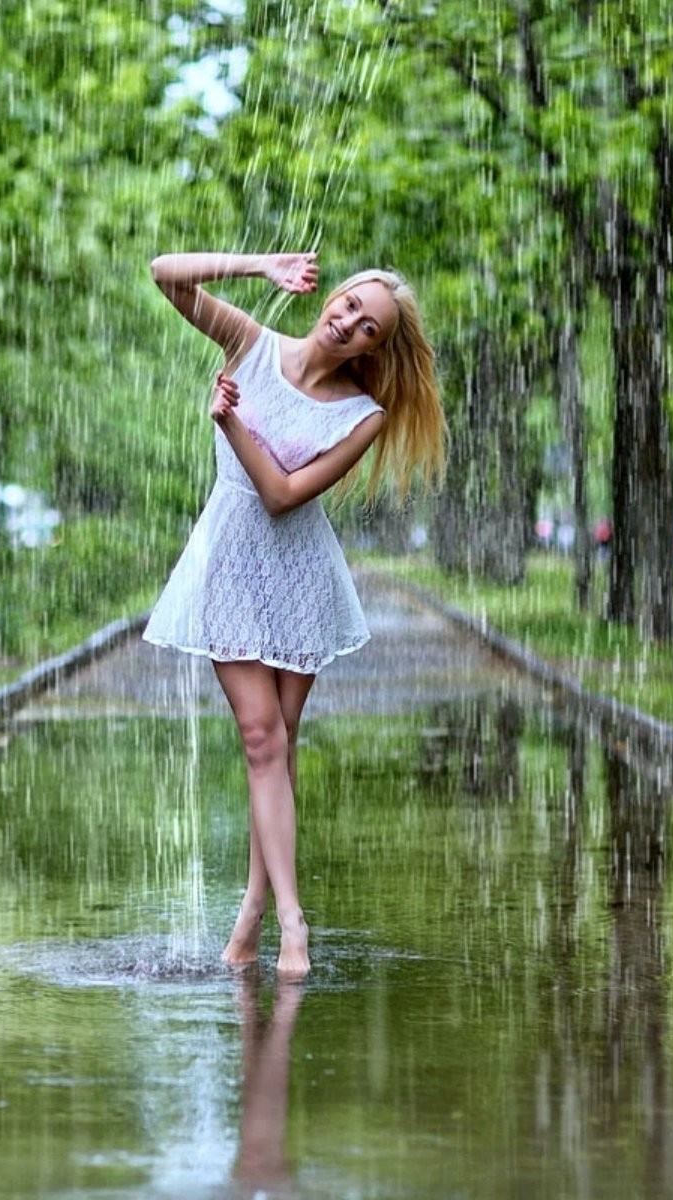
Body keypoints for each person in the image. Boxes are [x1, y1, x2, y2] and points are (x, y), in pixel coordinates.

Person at [142, 250, 445, 978]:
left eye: (366, 326)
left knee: (276, 745)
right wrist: (258, 266)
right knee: (259, 737)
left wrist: (231, 424)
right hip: (230, 565)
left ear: (377, 347)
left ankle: (251, 917)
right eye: (347, 306)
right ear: (331, 298)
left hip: (299, 576)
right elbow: (165, 273)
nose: (346, 324)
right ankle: (290, 921)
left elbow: (283, 496)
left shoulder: (362, 415)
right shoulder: (250, 344)